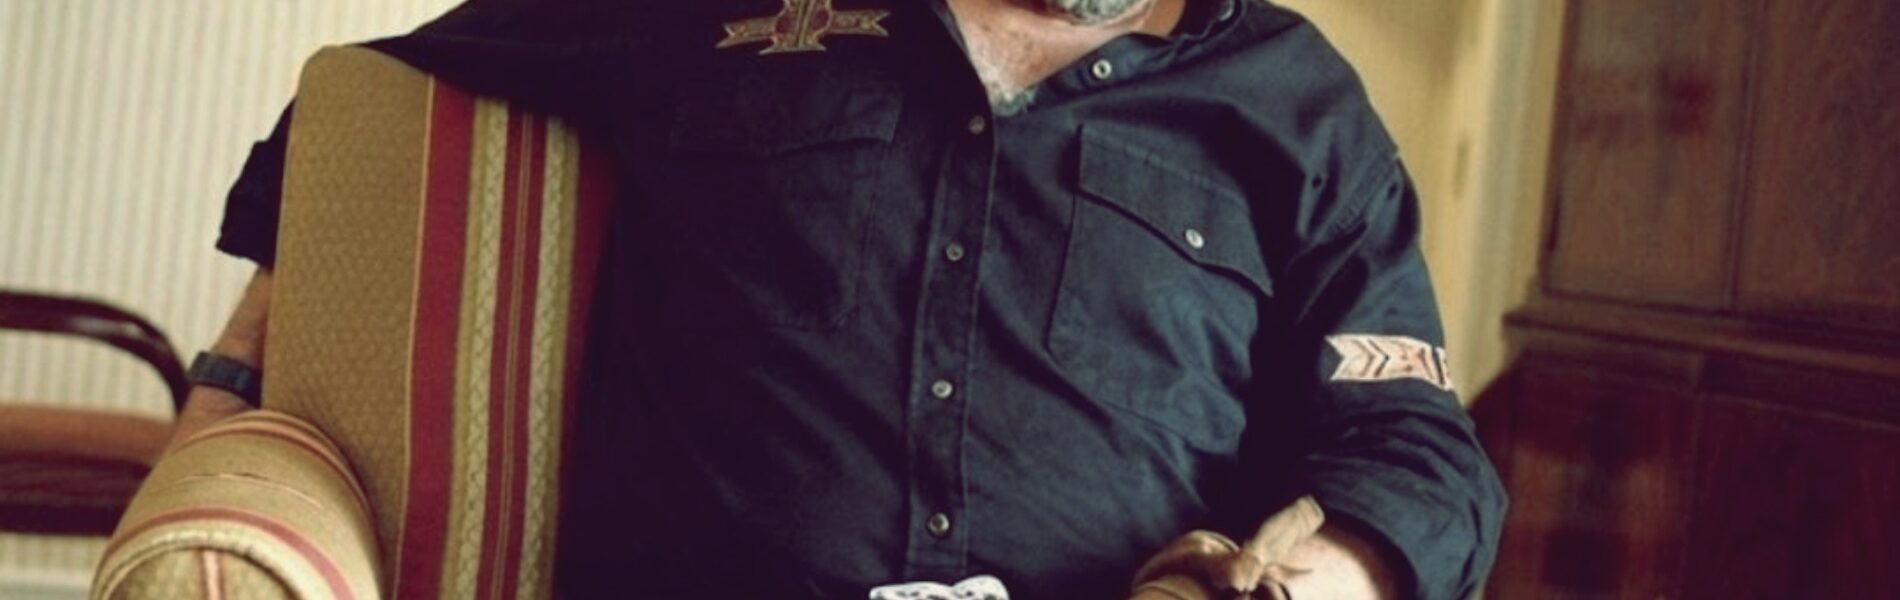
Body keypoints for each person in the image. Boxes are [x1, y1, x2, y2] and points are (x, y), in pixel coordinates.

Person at [174, 0, 1505, 597]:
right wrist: (233, 382)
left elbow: (1415, 451)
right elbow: (366, 110)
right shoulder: (717, 10)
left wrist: (1291, 590)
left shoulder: (1296, 106)